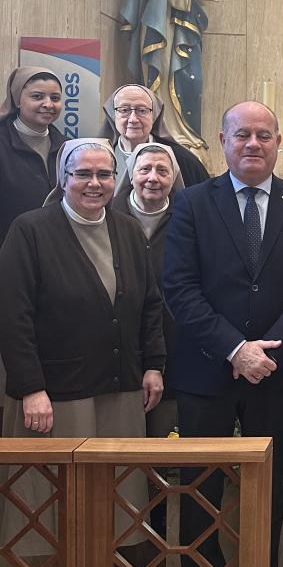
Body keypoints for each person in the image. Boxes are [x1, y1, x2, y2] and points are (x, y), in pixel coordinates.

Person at [162, 101, 283, 567]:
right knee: (201, 487)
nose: (253, 144)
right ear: (223, 141)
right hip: (206, 370)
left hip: (273, 373)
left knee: (267, 488)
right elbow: (179, 287)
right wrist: (236, 349)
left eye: (263, 134)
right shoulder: (191, 203)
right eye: (242, 135)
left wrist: (266, 351)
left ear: (277, 141)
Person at [0, 138, 165, 439]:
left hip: (122, 388)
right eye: (83, 174)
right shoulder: (29, 231)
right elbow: (12, 318)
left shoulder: (130, 230)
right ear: (63, 179)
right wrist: (31, 388)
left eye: (104, 174)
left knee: (117, 469)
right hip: (54, 394)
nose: (95, 183)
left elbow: (151, 304)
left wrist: (153, 366)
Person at [118, 0, 211, 155]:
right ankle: (166, 130)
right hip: (164, 26)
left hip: (186, 26)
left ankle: (186, 134)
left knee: (190, 79)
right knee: (167, 74)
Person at [111, 142, 184, 438]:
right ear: (131, 175)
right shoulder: (106, 214)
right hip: (118, 343)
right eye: (145, 169)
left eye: (162, 171)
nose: (153, 178)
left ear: (173, 178)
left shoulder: (188, 218)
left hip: (173, 342)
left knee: (165, 436)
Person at [0, 67, 65, 247]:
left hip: (56, 249)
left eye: (55, 98)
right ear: (17, 100)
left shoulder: (67, 147)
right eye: (37, 97)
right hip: (9, 250)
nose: (48, 104)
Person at [101, 83, 209, 187]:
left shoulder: (183, 160)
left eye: (142, 110)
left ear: (155, 115)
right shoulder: (99, 157)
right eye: (124, 110)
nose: (133, 119)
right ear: (113, 115)